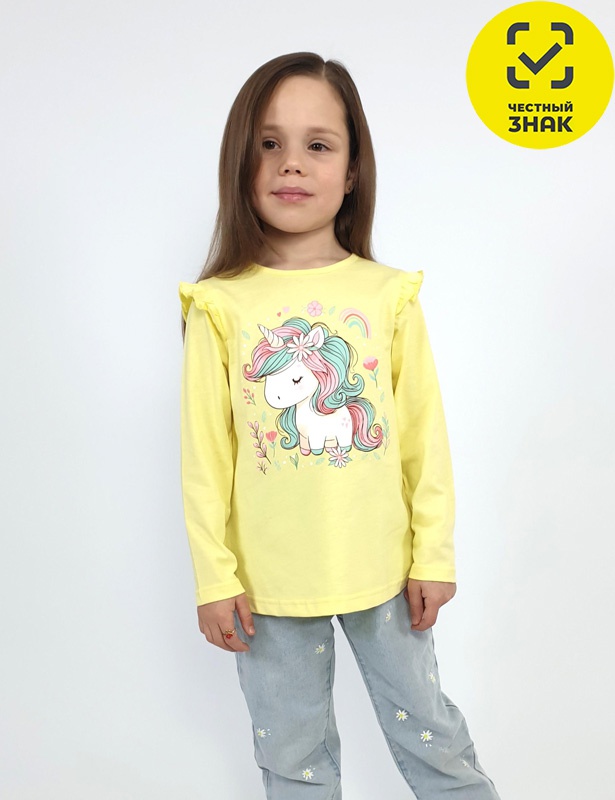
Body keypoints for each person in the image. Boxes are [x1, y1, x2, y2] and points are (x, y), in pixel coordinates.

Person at [178, 51, 501, 800]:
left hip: (385, 573)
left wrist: (433, 554)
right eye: (269, 143)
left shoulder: (389, 296)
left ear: (352, 171)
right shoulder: (219, 305)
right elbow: (204, 458)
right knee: (291, 757)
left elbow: (423, 440)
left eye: (317, 144)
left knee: (432, 737)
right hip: (265, 589)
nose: (291, 163)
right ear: (240, 160)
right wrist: (215, 577)